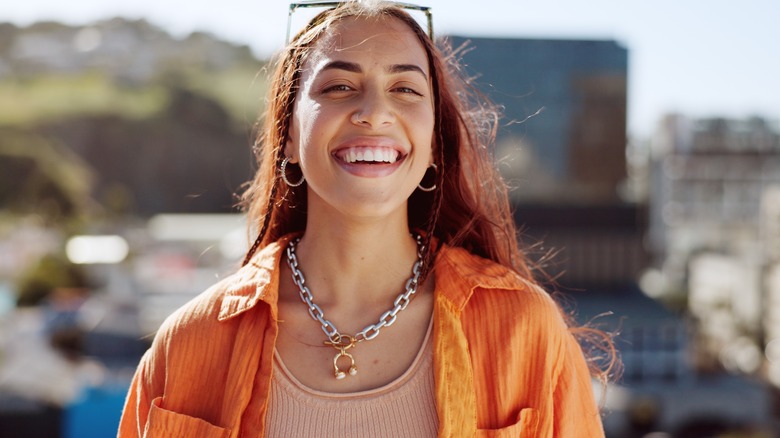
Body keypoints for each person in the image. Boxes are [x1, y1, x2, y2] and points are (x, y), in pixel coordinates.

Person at [118, 1, 611, 436]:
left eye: (406, 89)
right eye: (338, 86)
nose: (374, 112)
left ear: (435, 142)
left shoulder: (524, 328)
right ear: (288, 135)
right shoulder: (188, 344)